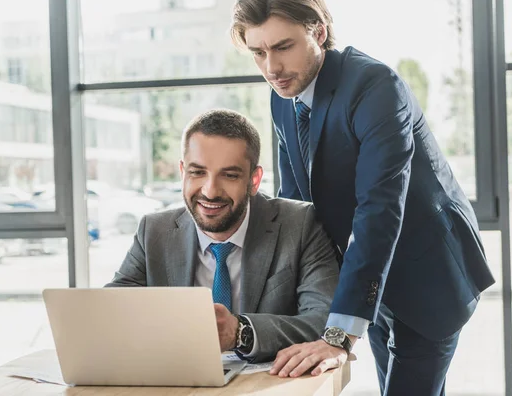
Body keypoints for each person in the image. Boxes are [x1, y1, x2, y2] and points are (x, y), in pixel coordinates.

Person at [230, 0, 496, 394]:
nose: (271, 68)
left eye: (283, 47)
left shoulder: (374, 86)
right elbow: (295, 207)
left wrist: (338, 335)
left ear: (317, 32)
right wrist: (274, 321)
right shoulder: (283, 98)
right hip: (371, 285)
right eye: (258, 53)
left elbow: (379, 209)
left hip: (428, 276)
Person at [106, 109, 340, 363]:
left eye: (229, 175)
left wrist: (240, 333)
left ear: (254, 180)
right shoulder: (154, 231)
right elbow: (113, 311)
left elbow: (324, 320)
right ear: (183, 172)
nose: (210, 191)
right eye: (197, 172)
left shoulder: (301, 224)